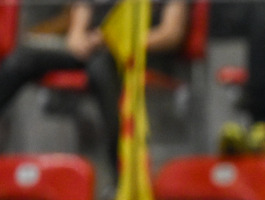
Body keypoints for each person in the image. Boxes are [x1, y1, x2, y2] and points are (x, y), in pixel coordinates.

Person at [0, 1, 188, 182]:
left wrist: (115, 40)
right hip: (93, 46)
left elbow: (170, 34)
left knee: (101, 68)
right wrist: (77, 37)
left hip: (138, 52)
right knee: (23, 58)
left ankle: (120, 179)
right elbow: (81, 16)